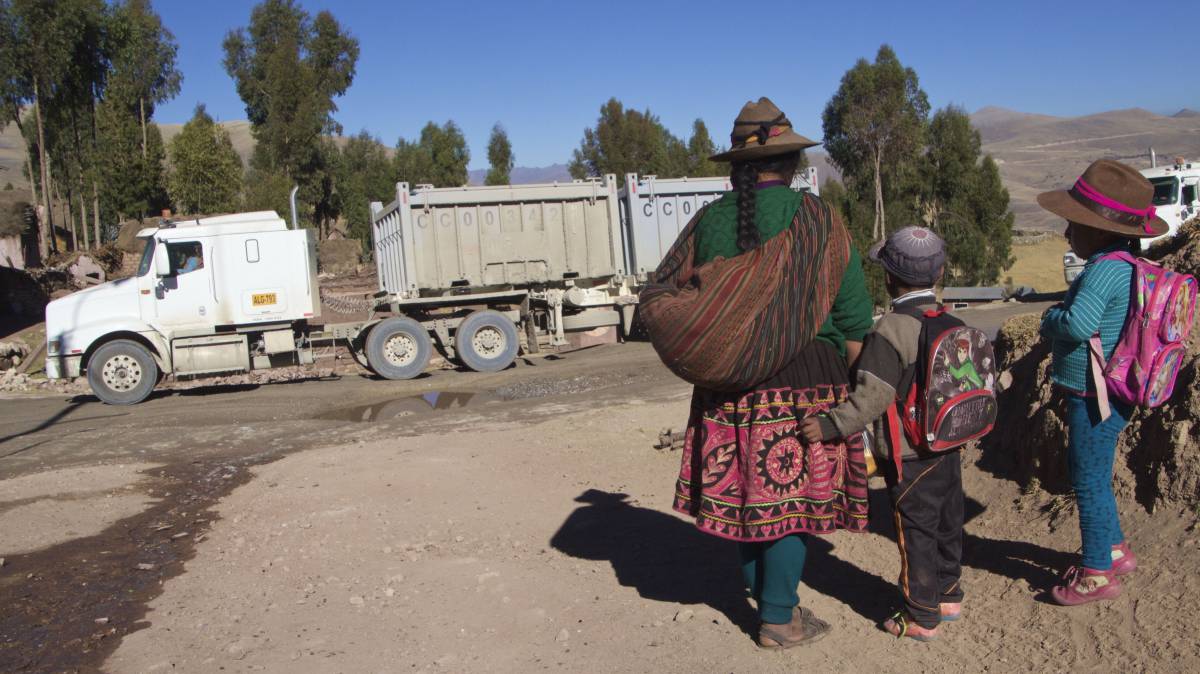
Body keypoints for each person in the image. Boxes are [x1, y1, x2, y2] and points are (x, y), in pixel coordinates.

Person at [669, 98, 875, 648]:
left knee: (748, 493)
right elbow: (855, 321)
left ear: (737, 166)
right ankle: (780, 619)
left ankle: (766, 599)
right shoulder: (821, 222)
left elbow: (673, 294)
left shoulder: (708, 221)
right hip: (804, 382)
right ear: (789, 164)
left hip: (728, 384)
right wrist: (861, 400)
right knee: (790, 502)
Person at [799, 227, 964, 641]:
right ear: (940, 273)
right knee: (947, 522)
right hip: (949, 445)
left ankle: (921, 615)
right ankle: (948, 593)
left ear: (888, 278)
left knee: (915, 531)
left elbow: (872, 397)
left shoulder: (890, 330)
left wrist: (829, 425)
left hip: (908, 452)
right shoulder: (952, 320)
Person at [1035, 159, 1166, 605]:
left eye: (1076, 225)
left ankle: (1096, 573)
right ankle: (1113, 549)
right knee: (1095, 475)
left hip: (1095, 395)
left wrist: (1048, 319)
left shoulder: (1102, 270)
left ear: (1101, 229)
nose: (1069, 233)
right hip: (1112, 391)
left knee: (1087, 480)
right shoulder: (1126, 263)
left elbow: (1077, 324)